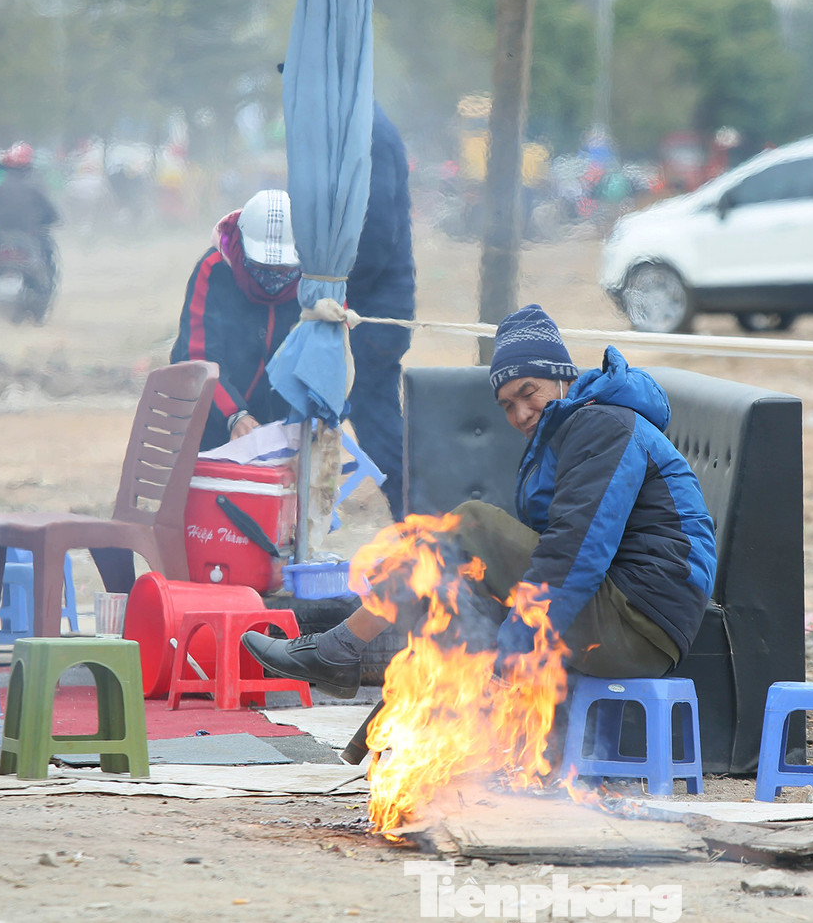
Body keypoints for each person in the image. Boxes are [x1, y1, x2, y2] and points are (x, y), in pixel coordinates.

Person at [242, 304, 718, 697]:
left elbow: (575, 555)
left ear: (560, 376)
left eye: (528, 392)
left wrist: (512, 653)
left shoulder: (604, 426)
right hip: (621, 615)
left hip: (639, 625)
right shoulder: (568, 433)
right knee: (450, 581)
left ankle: (339, 649)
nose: (520, 412)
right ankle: (364, 685)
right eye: (507, 404)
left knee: (470, 523)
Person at [170, 188, 302, 450]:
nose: (274, 275)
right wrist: (235, 414)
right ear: (241, 246)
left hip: (282, 425)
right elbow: (198, 356)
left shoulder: (314, 280)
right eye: (264, 268)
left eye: (283, 269)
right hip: (210, 417)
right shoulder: (215, 270)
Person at [345, 103, 416, 521]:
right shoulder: (356, 125)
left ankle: (420, 523)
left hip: (374, 307)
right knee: (374, 413)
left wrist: (341, 294)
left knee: (374, 413)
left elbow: (375, 231)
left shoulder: (368, 130)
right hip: (369, 302)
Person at [0, 142, 60, 275]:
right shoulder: (35, 188)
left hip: (2, 236)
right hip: (29, 236)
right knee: (47, 249)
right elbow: (51, 213)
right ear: (28, 167)